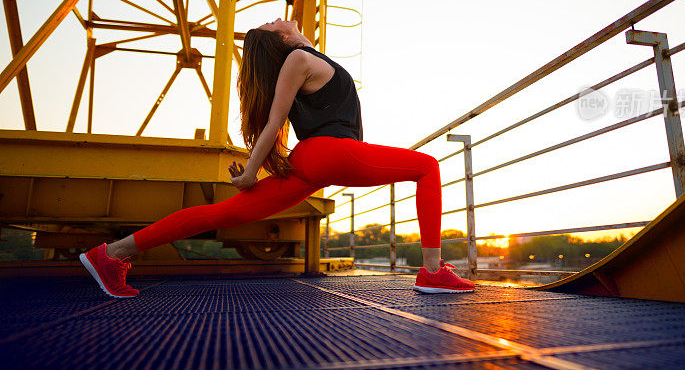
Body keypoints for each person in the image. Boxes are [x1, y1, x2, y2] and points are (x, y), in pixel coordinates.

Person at [79, 18, 475, 298]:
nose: (273, 19)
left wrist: (256, 171)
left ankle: (112, 254)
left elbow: (277, 122)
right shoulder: (297, 60)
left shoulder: (303, 56)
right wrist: (250, 172)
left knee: (222, 214)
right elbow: (273, 123)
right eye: (269, 26)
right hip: (329, 153)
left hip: (313, 164)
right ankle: (433, 271)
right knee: (427, 167)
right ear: (278, 42)